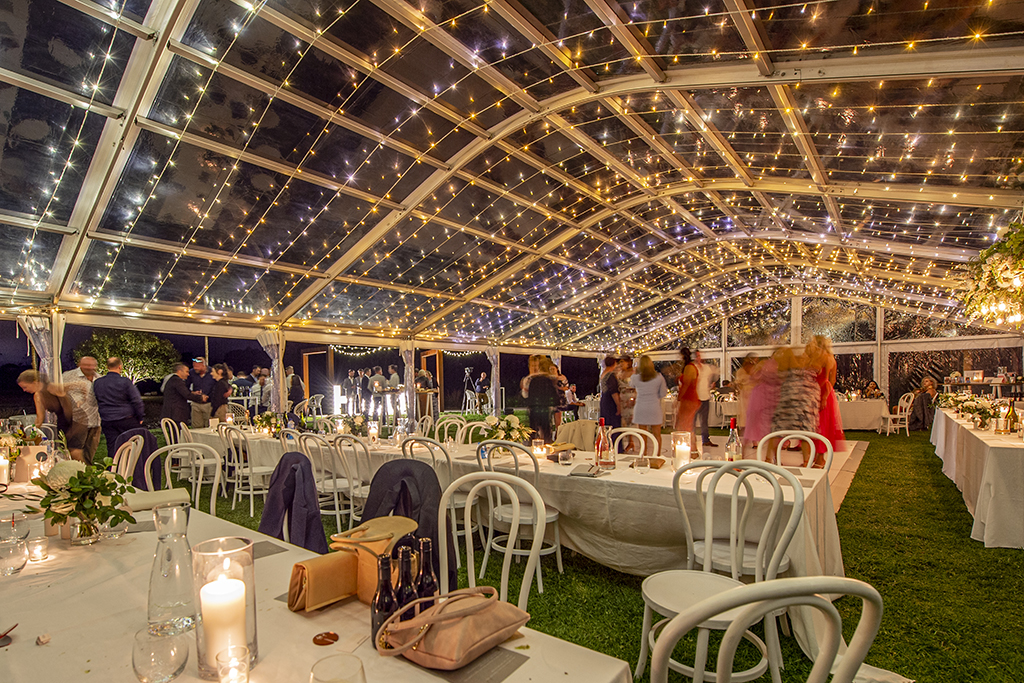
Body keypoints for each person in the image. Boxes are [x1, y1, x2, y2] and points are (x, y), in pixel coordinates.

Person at [17, 370, 87, 462]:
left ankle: (83, 470)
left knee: (75, 452)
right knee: (65, 453)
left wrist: (82, 401)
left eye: (25, 387)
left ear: (35, 382)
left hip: (77, 420)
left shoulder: (53, 387)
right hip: (63, 422)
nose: (24, 390)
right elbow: (39, 419)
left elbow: (82, 384)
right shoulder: (38, 396)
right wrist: (32, 434)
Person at [767, 346, 820, 466]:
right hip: (797, 404)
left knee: (780, 432)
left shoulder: (798, 370)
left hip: (798, 404)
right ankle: (772, 459)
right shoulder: (801, 370)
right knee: (782, 432)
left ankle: (771, 459)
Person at [93, 357, 145, 452]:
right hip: (126, 418)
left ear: (107, 366)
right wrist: (140, 417)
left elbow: (97, 399)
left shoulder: (98, 383)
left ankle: (114, 461)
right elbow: (137, 401)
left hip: (107, 419)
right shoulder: (125, 382)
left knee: (112, 446)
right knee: (135, 444)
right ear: (120, 367)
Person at [810, 335, 845, 465]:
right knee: (819, 425)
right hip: (822, 392)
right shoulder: (830, 357)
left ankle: (820, 458)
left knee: (821, 425)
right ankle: (817, 456)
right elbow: (832, 380)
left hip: (821, 392)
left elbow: (827, 379)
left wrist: (824, 397)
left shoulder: (823, 357)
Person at [62, 356, 101, 464]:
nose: (90, 367)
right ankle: (78, 470)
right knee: (75, 451)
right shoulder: (68, 376)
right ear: (79, 364)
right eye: (87, 365)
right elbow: (58, 391)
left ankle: (87, 471)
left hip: (95, 421)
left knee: (90, 453)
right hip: (77, 421)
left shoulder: (99, 378)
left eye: (92, 365)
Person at [744, 349, 783, 457]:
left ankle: (771, 457)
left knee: (773, 429)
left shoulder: (782, 367)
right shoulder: (764, 364)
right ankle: (743, 454)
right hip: (760, 397)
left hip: (773, 398)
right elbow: (753, 377)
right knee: (752, 424)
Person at [630, 355, 668, 452]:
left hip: (640, 407)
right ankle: (657, 454)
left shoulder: (635, 377)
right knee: (657, 434)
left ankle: (644, 453)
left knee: (642, 434)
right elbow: (663, 393)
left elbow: (631, 386)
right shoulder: (659, 377)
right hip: (654, 406)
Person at [522, 355, 559, 443]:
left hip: (533, 408)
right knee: (546, 430)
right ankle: (547, 446)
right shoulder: (550, 379)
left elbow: (525, 395)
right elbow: (553, 394)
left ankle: (532, 446)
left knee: (532, 430)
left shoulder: (529, 379)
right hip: (545, 408)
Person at [674, 348, 701, 449]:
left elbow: (686, 385)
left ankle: (691, 448)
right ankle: (689, 447)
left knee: (685, 425)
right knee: (685, 424)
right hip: (689, 399)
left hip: (689, 399)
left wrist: (679, 398)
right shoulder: (689, 367)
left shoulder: (689, 367)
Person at [694, 353, 719, 447]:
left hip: (705, 397)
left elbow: (715, 374)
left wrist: (711, 385)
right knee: (693, 421)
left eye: (699, 356)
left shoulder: (706, 368)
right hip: (695, 398)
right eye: (697, 356)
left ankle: (705, 440)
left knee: (704, 420)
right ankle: (692, 440)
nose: (699, 358)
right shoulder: (693, 367)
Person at [732, 353, 758, 430]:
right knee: (746, 413)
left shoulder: (756, 370)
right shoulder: (741, 371)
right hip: (746, 395)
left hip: (755, 394)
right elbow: (737, 383)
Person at [188, 357, 215, 428]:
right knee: (196, 426)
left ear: (204, 365)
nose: (195, 368)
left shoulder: (212, 372)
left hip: (209, 404)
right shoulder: (191, 373)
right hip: (196, 403)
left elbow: (218, 386)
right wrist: (193, 392)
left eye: (197, 366)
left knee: (209, 426)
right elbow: (185, 386)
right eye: (194, 366)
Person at [599, 355, 622, 429]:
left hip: (604, 400)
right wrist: (618, 405)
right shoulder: (610, 375)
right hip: (610, 402)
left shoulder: (603, 374)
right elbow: (613, 391)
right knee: (613, 423)